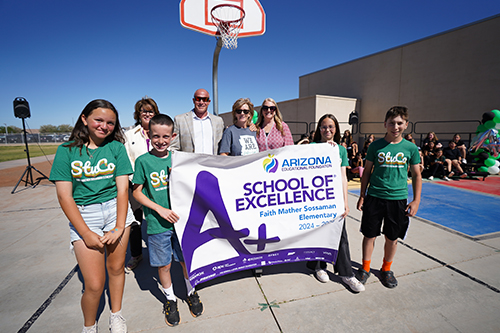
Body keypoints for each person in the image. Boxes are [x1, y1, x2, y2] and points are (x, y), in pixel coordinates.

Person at [49, 99, 135, 333]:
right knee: (95, 285)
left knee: (116, 269)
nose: (104, 126)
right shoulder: (66, 151)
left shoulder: (116, 148)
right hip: (85, 216)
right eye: (99, 120)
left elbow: (122, 189)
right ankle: (89, 326)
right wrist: (85, 233)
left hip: (116, 213)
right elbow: (65, 197)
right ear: (85, 119)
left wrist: (118, 227)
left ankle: (116, 315)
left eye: (110, 123)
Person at [132, 114, 204, 327]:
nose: (161, 141)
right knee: (163, 264)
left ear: (173, 136)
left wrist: (179, 177)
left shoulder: (179, 159)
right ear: (148, 135)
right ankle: (171, 299)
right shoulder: (143, 161)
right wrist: (159, 209)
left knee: (186, 261)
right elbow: (137, 192)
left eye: (165, 136)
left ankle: (191, 292)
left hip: (182, 223)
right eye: (156, 136)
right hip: (157, 223)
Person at [355, 106, 422, 289]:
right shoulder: (375, 146)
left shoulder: (410, 148)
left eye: (400, 123)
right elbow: (366, 172)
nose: (395, 127)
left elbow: (416, 174)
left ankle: (386, 269)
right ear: (385, 124)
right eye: (392, 123)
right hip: (375, 197)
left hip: (398, 200)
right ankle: (365, 268)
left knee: (392, 238)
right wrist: (362, 196)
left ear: (406, 125)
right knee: (369, 235)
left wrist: (416, 200)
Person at [305, 114, 365, 293]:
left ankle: (346, 273)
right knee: (317, 234)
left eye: (331, 126)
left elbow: (343, 177)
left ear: (336, 129)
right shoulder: (312, 147)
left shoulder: (341, 150)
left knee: (341, 236)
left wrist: (345, 202)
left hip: (334, 198)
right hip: (316, 198)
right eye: (324, 126)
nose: (327, 130)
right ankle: (318, 266)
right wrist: (322, 149)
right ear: (319, 129)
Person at [123, 97, 160, 271]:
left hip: (158, 182)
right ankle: (136, 254)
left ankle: (163, 250)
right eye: (143, 111)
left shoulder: (159, 131)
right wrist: (135, 180)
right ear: (138, 114)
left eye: (150, 111)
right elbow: (127, 159)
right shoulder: (129, 135)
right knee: (135, 222)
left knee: (161, 217)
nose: (147, 114)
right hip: (136, 184)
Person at [170, 88, 224, 154]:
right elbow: (174, 147)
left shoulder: (218, 121)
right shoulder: (180, 120)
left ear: (209, 102)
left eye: (204, 99)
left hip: (212, 163)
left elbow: (222, 146)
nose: (201, 102)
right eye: (198, 99)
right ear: (193, 100)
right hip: (189, 163)